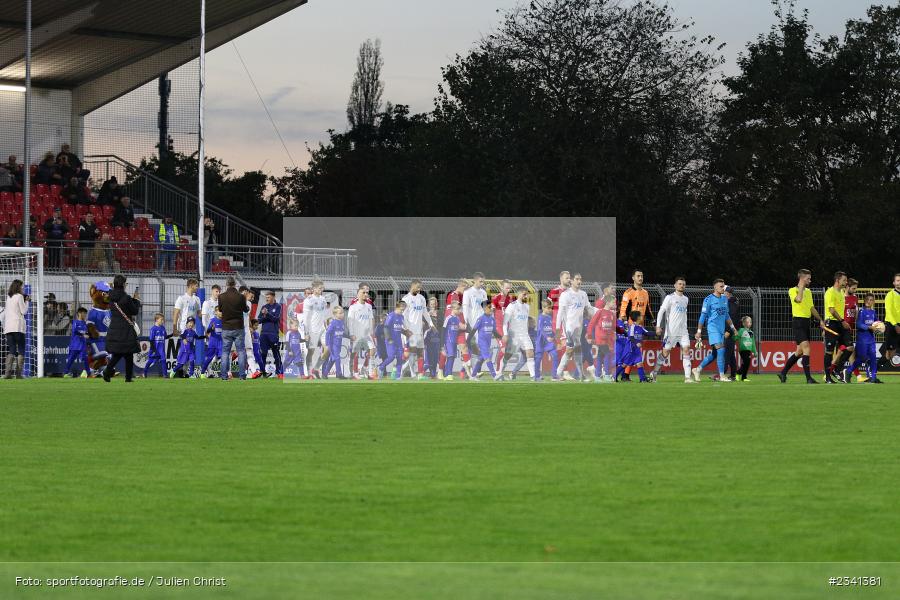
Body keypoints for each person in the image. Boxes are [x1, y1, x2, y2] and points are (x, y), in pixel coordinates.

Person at [777, 269, 824, 384]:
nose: (810, 280)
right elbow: (798, 299)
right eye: (808, 278)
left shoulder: (809, 292)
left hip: (806, 322)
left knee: (799, 352)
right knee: (807, 347)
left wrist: (821, 320)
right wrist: (801, 287)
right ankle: (809, 378)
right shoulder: (792, 290)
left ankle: (783, 373)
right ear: (802, 279)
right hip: (798, 322)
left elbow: (811, 308)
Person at [693, 279, 738, 383]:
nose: (723, 288)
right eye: (721, 286)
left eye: (723, 286)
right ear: (715, 287)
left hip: (721, 329)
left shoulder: (724, 299)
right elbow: (702, 316)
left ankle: (697, 369)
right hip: (712, 328)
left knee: (715, 354)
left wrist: (733, 328)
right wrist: (699, 331)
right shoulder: (708, 299)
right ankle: (722, 376)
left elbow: (727, 315)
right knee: (721, 350)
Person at [652, 277, 694, 383]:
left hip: (683, 331)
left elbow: (683, 315)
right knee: (665, 353)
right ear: (675, 285)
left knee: (686, 350)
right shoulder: (669, 297)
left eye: (683, 284)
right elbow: (661, 311)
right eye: (679, 284)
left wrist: (686, 328)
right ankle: (654, 372)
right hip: (671, 332)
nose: (681, 286)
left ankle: (688, 378)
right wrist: (658, 326)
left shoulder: (686, 299)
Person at [556, 273, 595, 381]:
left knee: (573, 350)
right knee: (574, 350)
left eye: (580, 279)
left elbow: (589, 308)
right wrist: (558, 328)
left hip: (579, 328)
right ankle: (562, 372)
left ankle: (561, 372)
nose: (579, 281)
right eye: (577, 279)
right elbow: (560, 312)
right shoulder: (565, 295)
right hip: (569, 328)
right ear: (572, 281)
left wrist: (599, 313)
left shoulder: (583, 294)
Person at [102, 274, 141, 383]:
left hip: (114, 328)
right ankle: (109, 371)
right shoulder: (126, 297)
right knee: (124, 353)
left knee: (126, 353)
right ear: (124, 284)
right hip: (126, 329)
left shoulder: (110, 297)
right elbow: (134, 311)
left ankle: (128, 377)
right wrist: (136, 300)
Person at [844, 293, 883, 384]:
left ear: (873, 301)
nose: (869, 302)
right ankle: (849, 371)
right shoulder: (861, 311)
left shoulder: (873, 312)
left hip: (871, 339)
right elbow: (858, 324)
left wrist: (880, 327)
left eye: (871, 300)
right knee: (862, 358)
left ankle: (873, 377)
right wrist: (869, 327)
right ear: (865, 301)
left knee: (873, 358)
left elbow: (877, 323)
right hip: (862, 339)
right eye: (868, 300)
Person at [401, 279, 435, 380]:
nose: (420, 289)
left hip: (419, 331)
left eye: (421, 287)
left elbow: (425, 312)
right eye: (418, 287)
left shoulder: (422, 298)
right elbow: (403, 316)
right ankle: (405, 371)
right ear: (412, 286)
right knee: (411, 353)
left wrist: (431, 324)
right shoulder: (406, 299)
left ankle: (419, 374)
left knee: (420, 352)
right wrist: (407, 329)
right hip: (410, 331)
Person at [823, 271, 853, 383]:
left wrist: (843, 322)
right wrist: (843, 321)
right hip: (832, 324)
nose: (846, 282)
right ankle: (828, 377)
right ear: (837, 280)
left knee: (850, 347)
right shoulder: (830, 292)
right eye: (844, 280)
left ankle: (836, 369)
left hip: (840, 323)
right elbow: (831, 309)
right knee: (829, 351)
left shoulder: (841, 293)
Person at [503, 287, 538, 381]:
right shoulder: (512, 306)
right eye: (524, 294)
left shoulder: (527, 306)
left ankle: (533, 376)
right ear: (518, 295)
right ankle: (499, 373)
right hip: (514, 335)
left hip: (525, 335)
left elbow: (525, 321)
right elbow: (505, 322)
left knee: (530, 353)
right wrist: (505, 334)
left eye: (526, 294)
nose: (526, 296)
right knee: (508, 356)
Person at [218, 276, 249, 380]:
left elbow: (221, 310)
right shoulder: (241, 297)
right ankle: (242, 376)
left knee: (225, 352)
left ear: (226, 284)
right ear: (235, 284)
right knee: (240, 351)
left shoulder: (221, 296)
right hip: (238, 327)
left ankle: (223, 376)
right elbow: (245, 310)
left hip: (226, 327)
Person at [2, 279, 29, 378]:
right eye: (21, 287)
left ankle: (7, 373)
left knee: (12, 350)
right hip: (18, 326)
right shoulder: (19, 296)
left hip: (8, 327)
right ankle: (18, 374)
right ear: (18, 287)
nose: (22, 288)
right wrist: (26, 302)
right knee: (21, 349)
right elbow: (24, 311)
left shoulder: (9, 297)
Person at [347, 286, 376, 379]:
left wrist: (372, 331)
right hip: (357, 334)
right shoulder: (353, 307)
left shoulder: (369, 306)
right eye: (363, 293)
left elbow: (371, 319)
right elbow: (349, 321)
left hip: (367, 334)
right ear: (358, 294)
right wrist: (351, 333)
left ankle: (368, 370)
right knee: (355, 353)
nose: (365, 294)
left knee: (372, 350)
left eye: (366, 293)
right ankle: (355, 373)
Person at [468, 301, 501, 380]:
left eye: (492, 307)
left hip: (488, 342)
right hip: (482, 342)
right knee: (488, 358)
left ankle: (472, 376)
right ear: (484, 308)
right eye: (490, 307)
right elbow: (473, 330)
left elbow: (494, 332)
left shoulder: (492, 319)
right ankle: (494, 375)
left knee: (481, 359)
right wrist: (467, 341)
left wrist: (501, 337)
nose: (491, 309)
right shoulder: (481, 319)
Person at [587, 295, 617, 382]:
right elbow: (591, 324)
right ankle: (607, 375)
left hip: (608, 340)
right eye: (613, 302)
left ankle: (597, 376)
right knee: (607, 355)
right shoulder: (600, 312)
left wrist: (614, 335)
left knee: (600, 357)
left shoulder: (612, 314)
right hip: (600, 339)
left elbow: (613, 328)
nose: (614, 304)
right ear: (608, 302)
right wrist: (589, 336)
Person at [445, 278, 471, 377]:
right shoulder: (453, 295)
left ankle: (468, 373)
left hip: (462, 328)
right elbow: (450, 312)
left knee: (464, 348)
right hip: (453, 328)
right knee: (447, 352)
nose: (467, 290)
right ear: (461, 285)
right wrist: (458, 323)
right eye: (466, 287)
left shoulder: (463, 296)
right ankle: (442, 372)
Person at [258, 290, 284, 378]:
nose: (267, 299)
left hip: (273, 334)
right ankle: (263, 373)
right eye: (266, 297)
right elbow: (259, 320)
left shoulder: (278, 307)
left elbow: (276, 319)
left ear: (273, 297)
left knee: (276, 353)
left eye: (268, 297)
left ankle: (279, 373)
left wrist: (267, 314)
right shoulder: (264, 307)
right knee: (263, 354)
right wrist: (265, 316)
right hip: (264, 334)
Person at [379, 301, 408, 380]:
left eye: (404, 309)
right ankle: (381, 367)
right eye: (401, 309)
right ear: (397, 307)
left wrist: (406, 332)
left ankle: (398, 376)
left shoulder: (402, 317)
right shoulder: (391, 316)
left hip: (398, 341)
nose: (402, 311)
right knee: (391, 357)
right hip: (390, 341)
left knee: (400, 358)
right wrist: (389, 338)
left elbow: (399, 328)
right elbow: (386, 327)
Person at [535, 298, 560, 381]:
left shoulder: (549, 317)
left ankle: (554, 375)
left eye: (551, 308)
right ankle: (537, 376)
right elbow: (541, 329)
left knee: (555, 355)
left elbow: (549, 328)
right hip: (541, 340)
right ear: (543, 308)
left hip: (549, 342)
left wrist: (554, 335)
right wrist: (547, 337)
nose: (550, 310)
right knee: (538, 358)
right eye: (548, 308)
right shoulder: (540, 317)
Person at [321, 307, 348, 379]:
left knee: (333, 360)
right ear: (335, 314)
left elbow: (341, 333)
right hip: (333, 345)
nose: (342, 314)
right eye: (340, 313)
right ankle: (339, 374)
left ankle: (325, 374)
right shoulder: (333, 323)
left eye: (342, 313)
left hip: (338, 344)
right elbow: (327, 333)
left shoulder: (342, 322)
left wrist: (349, 337)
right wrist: (327, 345)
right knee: (337, 358)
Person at [241, 287, 263, 378]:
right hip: (236, 330)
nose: (252, 299)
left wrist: (250, 328)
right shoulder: (236, 303)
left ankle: (254, 371)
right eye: (252, 296)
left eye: (254, 297)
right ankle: (228, 372)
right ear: (246, 293)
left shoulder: (248, 304)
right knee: (231, 352)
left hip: (245, 330)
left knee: (249, 350)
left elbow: (247, 318)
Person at [441, 302, 466, 380]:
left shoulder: (457, 318)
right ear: (453, 309)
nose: (459, 311)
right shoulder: (448, 318)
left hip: (454, 341)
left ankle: (447, 374)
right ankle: (449, 374)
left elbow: (462, 327)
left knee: (452, 357)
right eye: (458, 309)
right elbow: (443, 330)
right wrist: (442, 344)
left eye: (459, 309)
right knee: (451, 356)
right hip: (448, 340)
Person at [64, 307, 90, 377]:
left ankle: (88, 373)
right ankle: (66, 373)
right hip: (75, 345)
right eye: (84, 313)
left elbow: (86, 333)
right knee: (71, 359)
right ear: (79, 313)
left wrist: (87, 336)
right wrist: (83, 334)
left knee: (85, 358)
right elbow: (75, 331)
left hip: (82, 345)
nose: (85, 315)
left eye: (85, 314)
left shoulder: (85, 323)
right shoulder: (75, 322)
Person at [142, 313, 171, 378]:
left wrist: (172, 334)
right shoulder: (153, 329)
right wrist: (154, 349)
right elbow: (151, 340)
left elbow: (165, 337)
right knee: (150, 361)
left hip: (161, 349)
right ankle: (144, 372)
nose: (163, 321)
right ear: (157, 320)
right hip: (155, 349)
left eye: (163, 320)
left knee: (163, 360)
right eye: (161, 320)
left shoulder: (163, 328)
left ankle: (165, 375)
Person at [882, 273, 900, 368]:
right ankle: (873, 371)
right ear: (894, 283)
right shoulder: (890, 295)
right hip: (892, 326)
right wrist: (895, 325)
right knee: (889, 353)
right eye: (897, 280)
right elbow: (888, 311)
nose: (899, 282)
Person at [736, 316, 756, 382]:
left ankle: (741, 376)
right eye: (747, 322)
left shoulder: (751, 332)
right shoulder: (741, 330)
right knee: (746, 363)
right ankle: (740, 375)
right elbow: (736, 337)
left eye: (750, 322)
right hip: (743, 350)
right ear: (744, 323)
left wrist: (754, 351)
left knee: (746, 364)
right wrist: (733, 337)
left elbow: (753, 343)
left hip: (748, 350)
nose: (749, 323)